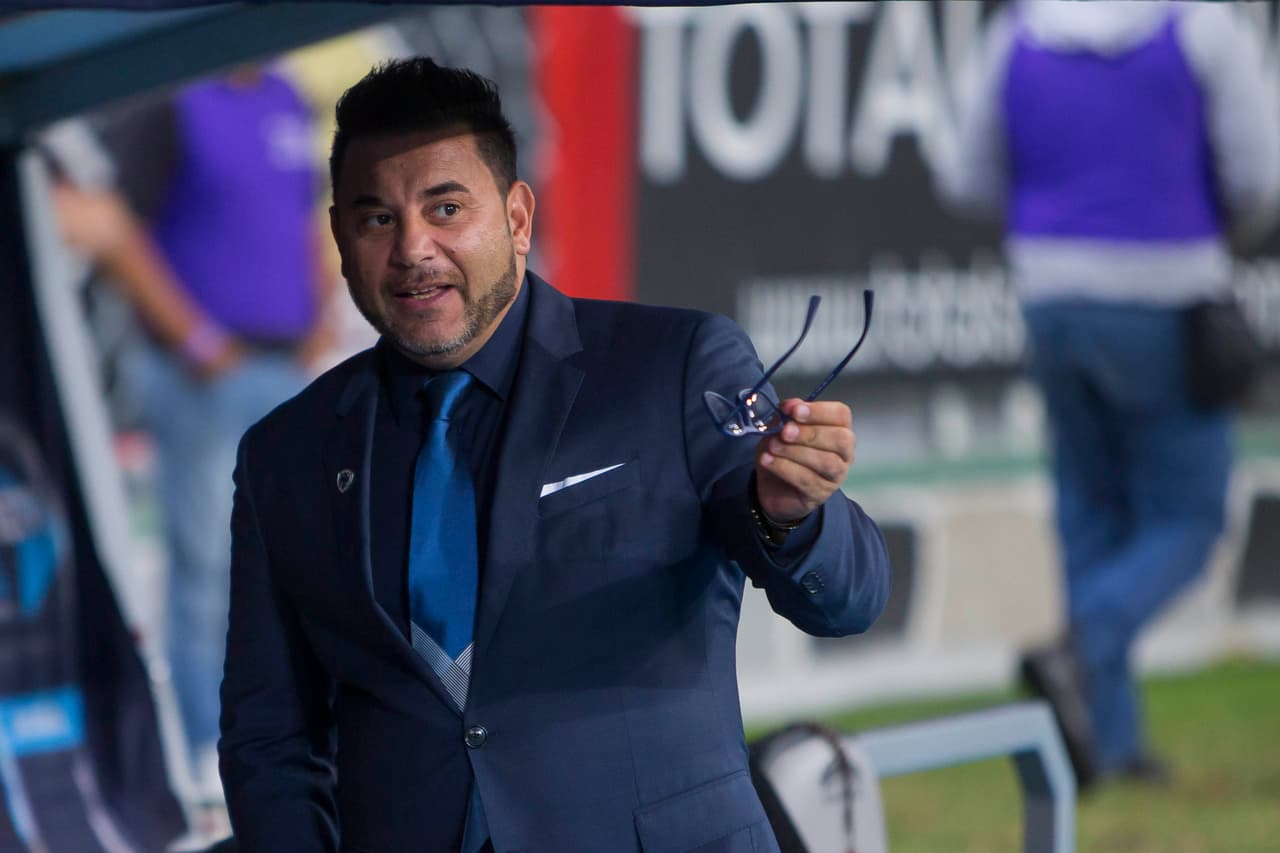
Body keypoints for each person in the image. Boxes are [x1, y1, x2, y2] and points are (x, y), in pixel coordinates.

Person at [217, 57, 892, 852]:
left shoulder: (672, 365)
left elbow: (848, 601)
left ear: (517, 217)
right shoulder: (284, 454)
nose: (413, 248)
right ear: (339, 236)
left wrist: (795, 519)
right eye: (377, 219)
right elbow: (269, 738)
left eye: (445, 208)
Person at [936, 1, 1280, 789]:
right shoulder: (1201, 27)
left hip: (1051, 294)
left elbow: (965, 175)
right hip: (1167, 294)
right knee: (1190, 518)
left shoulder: (1018, 33)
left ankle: (1112, 745)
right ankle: (1081, 649)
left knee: (1090, 514)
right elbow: (1259, 174)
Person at [102, 65, 334, 802]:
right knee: (207, 566)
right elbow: (117, 226)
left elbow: (308, 213)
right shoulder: (171, 95)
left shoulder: (284, 93)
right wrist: (193, 337)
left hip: (284, 364)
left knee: (290, 562)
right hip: (202, 373)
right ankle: (209, 743)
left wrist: (323, 308)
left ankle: (289, 733)